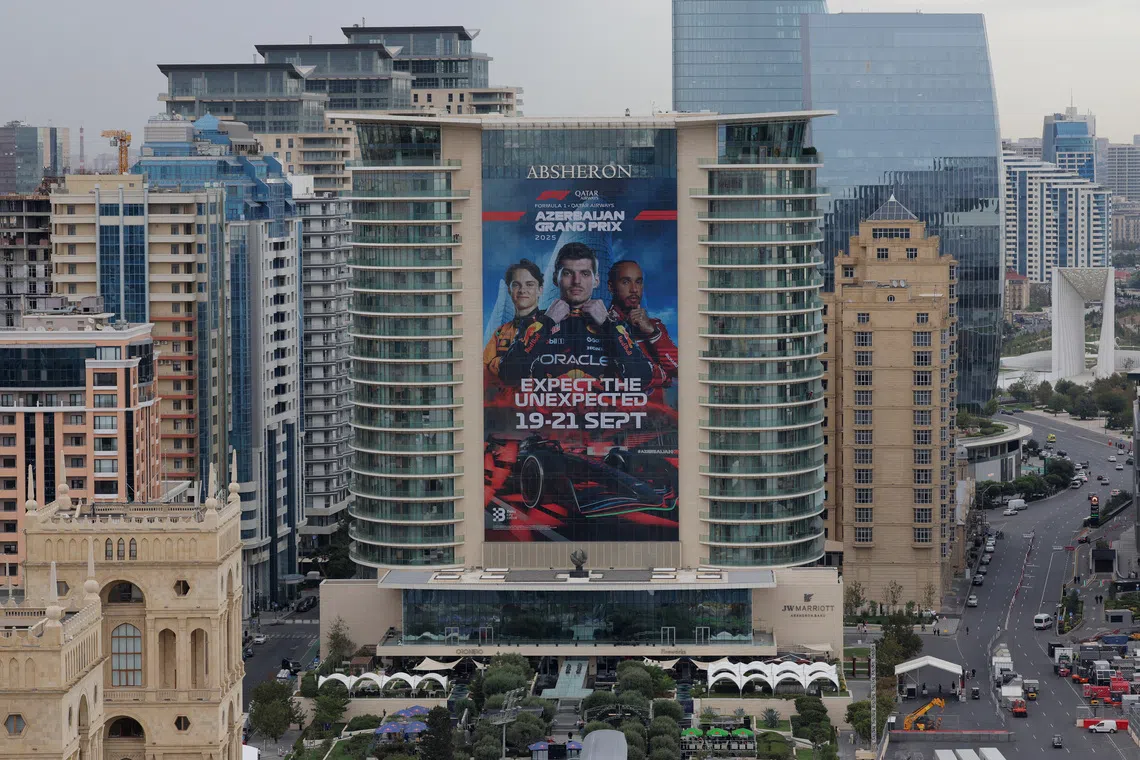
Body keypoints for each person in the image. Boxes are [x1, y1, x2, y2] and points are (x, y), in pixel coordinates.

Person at [499, 243, 652, 387]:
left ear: (596, 280)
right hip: (547, 414)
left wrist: (608, 325)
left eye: (585, 274)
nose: (576, 281)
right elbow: (507, 374)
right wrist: (547, 323)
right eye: (567, 273)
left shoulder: (616, 325)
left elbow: (643, 377)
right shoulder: (534, 323)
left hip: (600, 414)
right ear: (555, 279)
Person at [606, 260, 679, 390]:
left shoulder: (655, 327)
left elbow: (680, 371)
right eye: (625, 282)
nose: (634, 289)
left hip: (653, 410)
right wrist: (663, 376)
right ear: (611, 287)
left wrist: (652, 333)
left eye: (638, 282)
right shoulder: (601, 325)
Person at [484, 259, 544, 380]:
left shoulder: (550, 325)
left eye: (530, 284)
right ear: (509, 290)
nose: (522, 290)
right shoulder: (500, 332)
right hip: (509, 398)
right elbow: (484, 373)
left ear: (540, 290)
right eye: (516, 284)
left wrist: (497, 363)